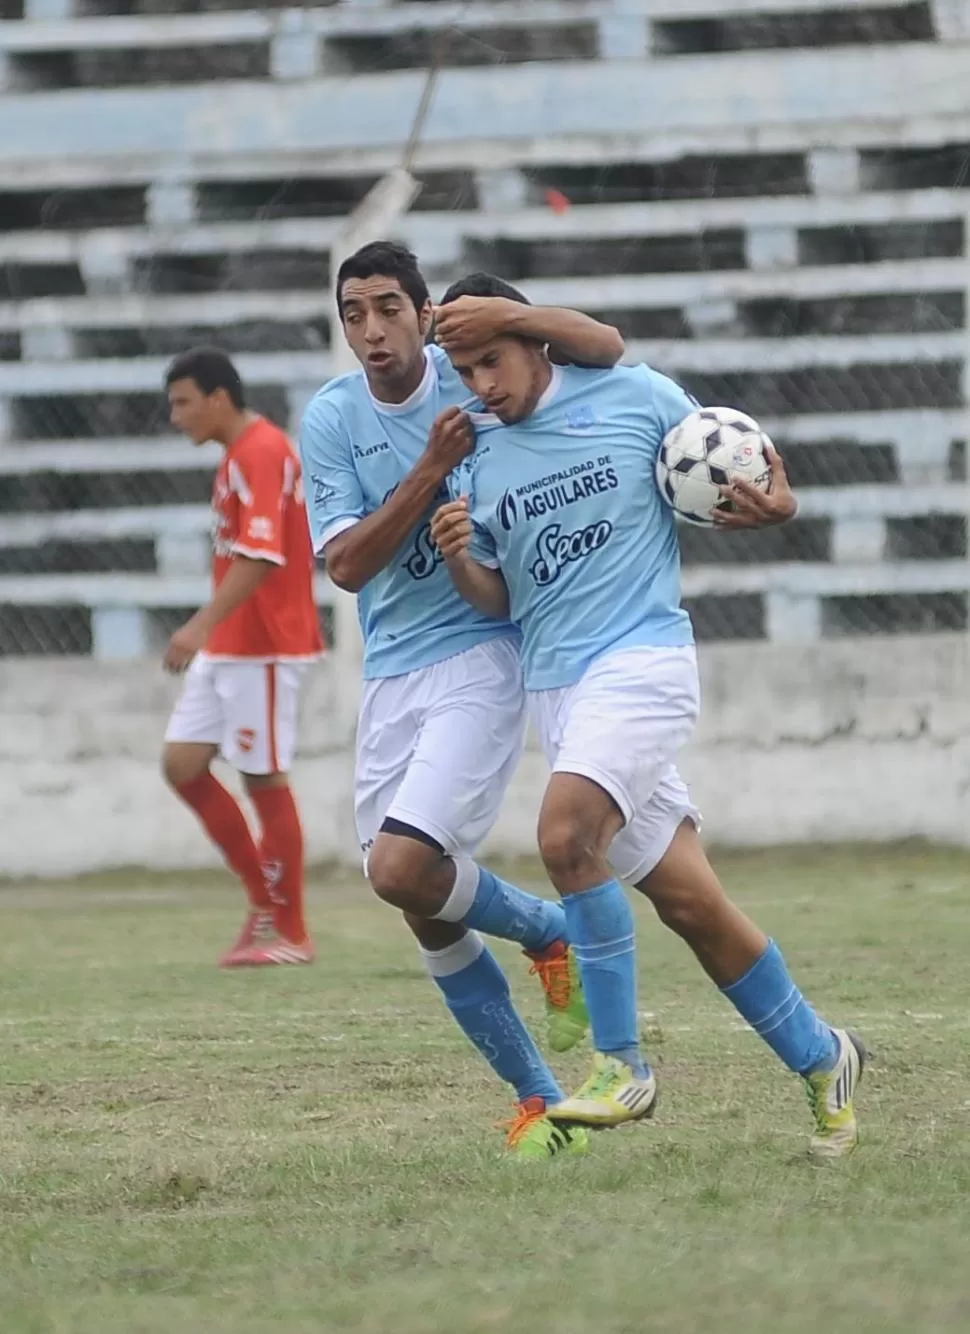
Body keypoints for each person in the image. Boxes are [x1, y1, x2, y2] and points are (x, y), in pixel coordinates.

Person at [430, 272, 865, 1161]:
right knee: (692, 904)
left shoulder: (632, 396)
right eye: (465, 371)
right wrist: (457, 562)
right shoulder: (478, 456)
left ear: (531, 337)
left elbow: (728, 468)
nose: (481, 385)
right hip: (562, 694)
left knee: (562, 838)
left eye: (491, 359)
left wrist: (777, 508)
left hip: (642, 665)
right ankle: (827, 1059)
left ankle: (620, 1066)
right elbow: (498, 599)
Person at [299, 241, 625, 1158]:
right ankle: (540, 1101)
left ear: (424, 312)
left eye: (389, 309)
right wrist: (427, 473)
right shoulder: (330, 418)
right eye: (353, 314)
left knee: (401, 868)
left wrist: (513, 326)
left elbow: (600, 348)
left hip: (482, 654)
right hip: (391, 670)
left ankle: (549, 933)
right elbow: (348, 565)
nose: (372, 331)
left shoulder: (475, 376)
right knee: (420, 905)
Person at [163, 347, 323, 967]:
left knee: (262, 777)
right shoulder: (239, 454)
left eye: (182, 402)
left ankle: (291, 930)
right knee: (182, 764)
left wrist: (198, 627)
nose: (175, 416)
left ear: (218, 397)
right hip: (233, 644)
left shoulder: (261, 451)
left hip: (265, 644)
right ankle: (264, 904)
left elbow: (260, 557)